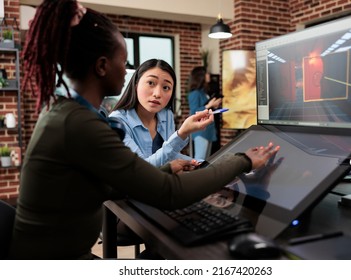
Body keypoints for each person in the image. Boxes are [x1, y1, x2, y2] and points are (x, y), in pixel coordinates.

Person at [8, 0, 279, 259]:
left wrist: (167, 168)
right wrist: (242, 160)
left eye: (166, 87)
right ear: (102, 66)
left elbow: (115, 183)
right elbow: (168, 193)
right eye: (123, 61)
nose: (127, 71)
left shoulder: (66, 113)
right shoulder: (79, 124)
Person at [110, 59, 198, 167]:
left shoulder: (166, 114)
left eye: (166, 87)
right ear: (136, 85)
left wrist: (197, 163)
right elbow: (141, 168)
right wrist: (181, 134)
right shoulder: (117, 122)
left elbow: (171, 155)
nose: (157, 94)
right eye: (151, 83)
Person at [188, 66, 222, 160]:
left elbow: (205, 108)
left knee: (205, 159)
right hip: (201, 131)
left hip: (208, 130)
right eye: (207, 73)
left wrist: (213, 106)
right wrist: (209, 105)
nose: (209, 75)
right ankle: (195, 175)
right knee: (200, 158)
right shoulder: (195, 93)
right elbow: (194, 111)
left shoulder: (204, 92)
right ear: (201, 76)